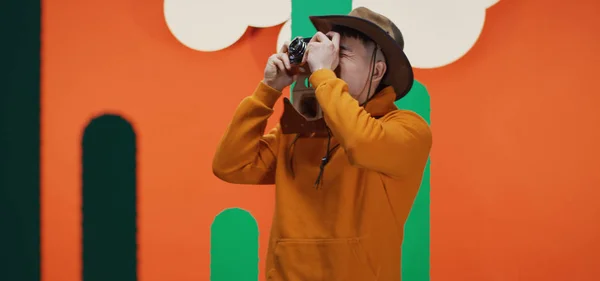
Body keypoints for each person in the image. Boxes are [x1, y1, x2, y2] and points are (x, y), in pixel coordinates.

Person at [212, 6, 432, 281]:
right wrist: (267, 89)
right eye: (327, 51)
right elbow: (231, 165)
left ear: (377, 71)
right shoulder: (298, 132)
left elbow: (360, 142)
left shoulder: (407, 129)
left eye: (341, 53)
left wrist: (323, 75)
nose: (327, 62)